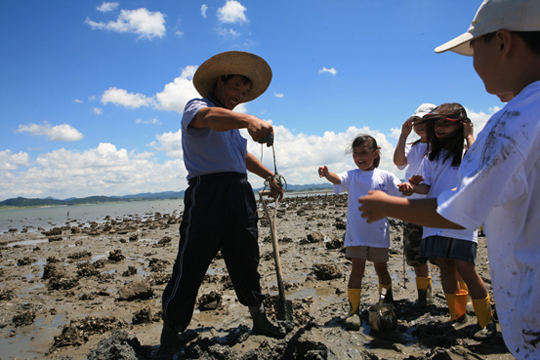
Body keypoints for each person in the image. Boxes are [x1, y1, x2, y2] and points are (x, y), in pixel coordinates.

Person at [358, 0, 540, 357]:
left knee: (466, 270)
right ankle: (462, 316)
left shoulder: (512, 122)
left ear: (503, 42)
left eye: (475, 48)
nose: (473, 63)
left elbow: (460, 210)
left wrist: (387, 205)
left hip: (532, 307)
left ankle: (485, 320)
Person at [158, 51, 285, 357]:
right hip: (207, 194)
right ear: (220, 81)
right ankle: (170, 332)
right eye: (237, 87)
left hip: (239, 193)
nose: (240, 95)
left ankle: (258, 317)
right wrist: (249, 119)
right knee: (191, 264)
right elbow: (210, 120)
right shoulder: (198, 107)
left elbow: (241, 156)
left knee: (246, 257)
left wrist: (270, 176)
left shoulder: (233, 124)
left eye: (245, 92)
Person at [400, 103, 495, 338]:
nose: (440, 129)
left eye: (445, 123)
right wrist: (411, 187)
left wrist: (470, 135)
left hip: (461, 220)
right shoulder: (432, 156)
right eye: (437, 124)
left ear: (461, 125)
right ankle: (457, 316)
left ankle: (486, 322)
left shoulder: (467, 151)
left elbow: (477, 168)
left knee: (467, 269)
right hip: (436, 221)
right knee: (445, 267)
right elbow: (426, 186)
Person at [318, 134, 402, 330]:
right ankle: (353, 311)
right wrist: (327, 173)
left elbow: (401, 189)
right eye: (356, 153)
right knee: (357, 270)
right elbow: (337, 178)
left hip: (378, 234)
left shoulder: (385, 176)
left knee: (382, 270)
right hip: (356, 234)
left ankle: (386, 304)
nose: (359, 157)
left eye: (364, 152)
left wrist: (408, 186)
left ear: (375, 153)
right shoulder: (352, 175)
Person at [393, 103, 437, 307]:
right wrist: (403, 134)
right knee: (417, 257)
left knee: (447, 258)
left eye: (424, 121)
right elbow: (399, 161)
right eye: (416, 121)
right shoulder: (413, 146)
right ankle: (424, 299)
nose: (420, 125)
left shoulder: (444, 146)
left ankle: (460, 302)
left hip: (436, 208)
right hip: (413, 208)